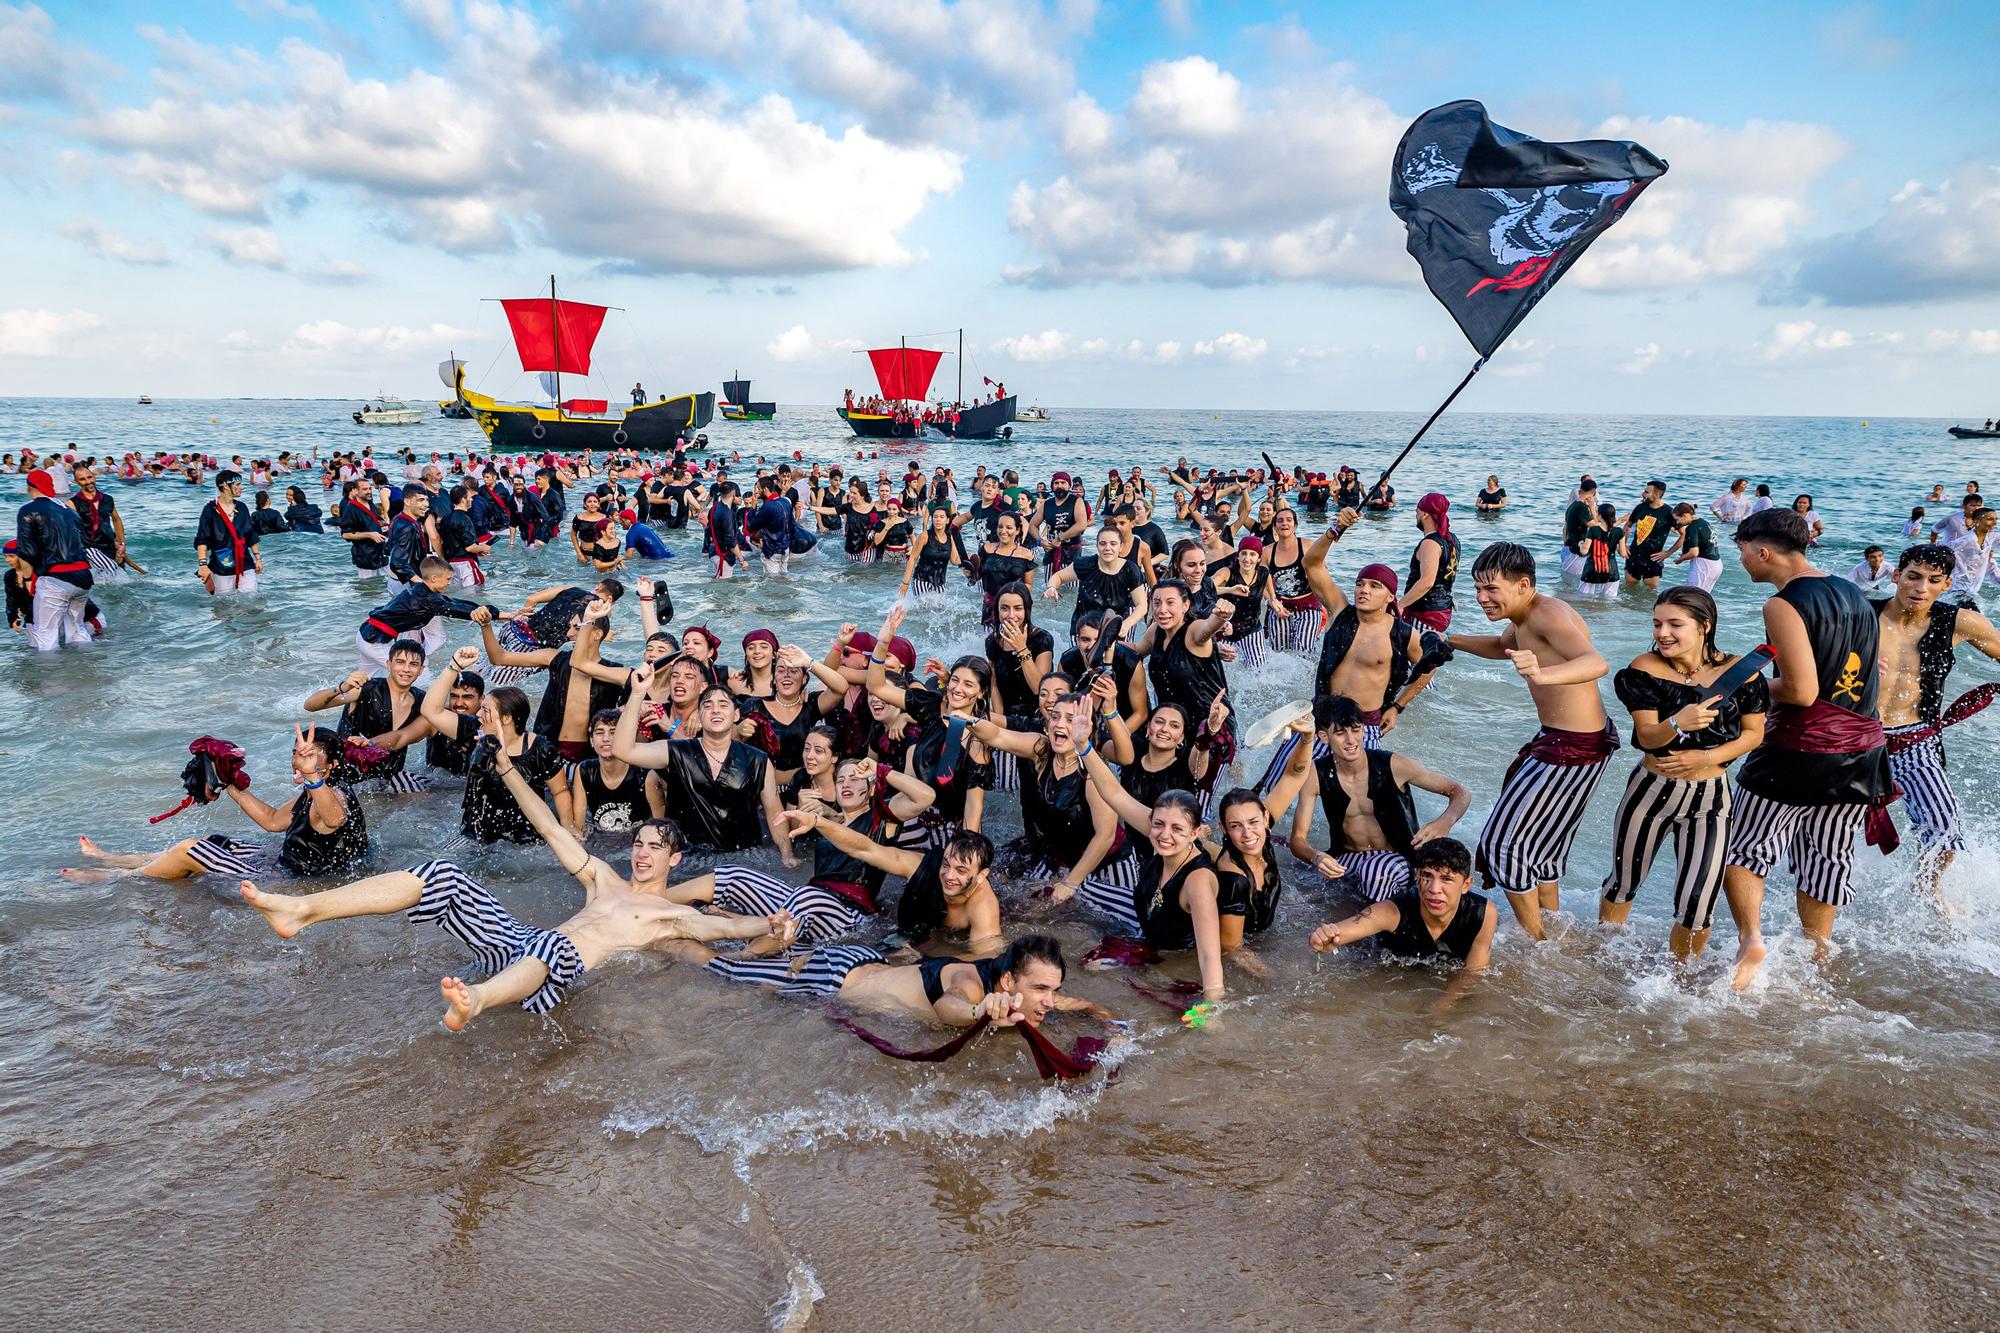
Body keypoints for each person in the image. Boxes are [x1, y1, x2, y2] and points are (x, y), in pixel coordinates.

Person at [240, 776, 784, 1030]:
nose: (641, 854)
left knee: (556, 940)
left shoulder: (674, 916)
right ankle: (303, 910)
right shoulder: (602, 879)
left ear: (675, 860)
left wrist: (774, 922)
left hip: (557, 973)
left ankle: (475, 1001)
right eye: (638, 843)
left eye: (654, 848)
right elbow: (549, 825)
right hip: (519, 948)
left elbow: (724, 932)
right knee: (442, 873)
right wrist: (505, 769)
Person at [1721, 508, 1894, 988]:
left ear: (1763, 551)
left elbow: (1800, 692)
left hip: (1801, 750)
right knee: (1825, 857)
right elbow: (1867, 667)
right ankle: (1819, 955)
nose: (1741, 559)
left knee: (1744, 850)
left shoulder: (1783, 604)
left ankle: (1751, 940)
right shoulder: (1852, 591)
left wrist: (1743, 685)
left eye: (1741, 550)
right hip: (1860, 752)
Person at [1448, 543, 1616, 940]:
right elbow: (1502, 647)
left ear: (1523, 584)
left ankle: (1536, 942)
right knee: (1540, 846)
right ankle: (1552, 927)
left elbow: (1596, 662)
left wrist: (1542, 675)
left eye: (1491, 588)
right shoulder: (1522, 616)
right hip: (1560, 741)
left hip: (1574, 748)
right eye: (1477, 588)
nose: (1481, 597)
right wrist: (1450, 640)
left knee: (1502, 843)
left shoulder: (1548, 614)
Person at [1599, 589, 1769, 961]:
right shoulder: (1643, 669)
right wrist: (1678, 722)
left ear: (1704, 626)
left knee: (1699, 900)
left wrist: (1705, 758)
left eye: (1675, 624)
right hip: (1650, 793)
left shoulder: (1743, 673)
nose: (1662, 633)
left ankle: (1680, 978)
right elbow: (1646, 736)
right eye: (1657, 623)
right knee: (1623, 883)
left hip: (1711, 799)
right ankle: (1605, 958)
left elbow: (1754, 735)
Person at [64, 726, 366, 883]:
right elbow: (274, 821)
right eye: (298, 753)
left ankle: (115, 878)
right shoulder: (321, 789)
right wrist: (229, 782)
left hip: (288, 879)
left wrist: (311, 775)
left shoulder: (332, 795)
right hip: (282, 859)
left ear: (332, 764)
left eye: (311, 756)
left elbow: (335, 818)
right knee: (215, 841)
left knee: (190, 849)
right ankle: (115, 858)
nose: (299, 760)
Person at [1873, 544, 2000, 910]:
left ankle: (1927, 887)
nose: (1921, 587)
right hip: (1860, 736)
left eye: (1933, 580)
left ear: (1946, 585)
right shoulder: (1863, 615)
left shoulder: (1959, 621)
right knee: (1824, 825)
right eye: (1913, 576)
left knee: (1944, 830)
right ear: (1897, 576)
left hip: (1915, 739)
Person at [1287, 696, 1471, 902]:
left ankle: (1371, 930)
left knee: (1375, 872)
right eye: (1340, 733)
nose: (1351, 740)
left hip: (1399, 859)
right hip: (1348, 858)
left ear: (1364, 729)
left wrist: (1445, 822)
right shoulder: (1315, 774)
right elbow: (1297, 840)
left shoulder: (1393, 765)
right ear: (1323, 736)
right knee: (1296, 881)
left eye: (1355, 730)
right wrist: (1317, 857)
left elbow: (1460, 791)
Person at [612, 673, 797, 861]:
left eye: (723, 705)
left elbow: (774, 812)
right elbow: (623, 750)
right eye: (708, 706)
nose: (715, 710)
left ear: (736, 715)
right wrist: (637, 694)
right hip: (685, 858)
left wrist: (787, 854)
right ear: (699, 716)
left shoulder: (757, 760)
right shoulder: (676, 752)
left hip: (742, 858)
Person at [419, 647, 565, 844]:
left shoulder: (540, 748)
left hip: (526, 835)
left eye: (485, 710)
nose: (479, 715)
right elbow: (430, 710)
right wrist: (454, 666)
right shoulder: (473, 731)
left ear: (505, 719)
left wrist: (570, 827)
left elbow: (560, 791)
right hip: (475, 831)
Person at [1308, 837, 1496, 972]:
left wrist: (1441, 1009)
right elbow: (1347, 929)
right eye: (1427, 876)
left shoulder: (1483, 913)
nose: (1434, 889)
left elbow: (1472, 976)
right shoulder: (1392, 912)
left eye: (1446, 879)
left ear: (1466, 885)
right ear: (1416, 876)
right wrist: (1325, 938)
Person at [305, 640, 432, 793]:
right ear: (388, 664)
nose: (406, 669)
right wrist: (341, 687)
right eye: (400, 662)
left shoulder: (422, 701)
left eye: (413, 664)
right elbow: (310, 705)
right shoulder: (366, 690)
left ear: (421, 670)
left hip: (386, 782)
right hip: (345, 779)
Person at [354, 556, 496, 676]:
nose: (449, 583)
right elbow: (456, 608)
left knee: (365, 679)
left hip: (365, 633)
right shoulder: (428, 598)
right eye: (448, 579)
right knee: (420, 676)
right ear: (434, 578)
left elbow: (454, 603)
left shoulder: (418, 588)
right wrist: (493, 613)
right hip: (374, 642)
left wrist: (498, 614)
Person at [14, 467, 95, 650]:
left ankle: (51, 677)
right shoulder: (69, 510)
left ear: (30, 487)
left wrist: (27, 579)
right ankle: (89, 668)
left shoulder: (28, 510)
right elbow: (85, 543)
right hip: (83, 578)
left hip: (56, 579)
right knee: (77, 630)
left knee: (46, 637)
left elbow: (25, 551)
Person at [552, 707, 665, 836]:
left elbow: (660, 829)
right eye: (599, 732)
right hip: (601, 839)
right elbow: (580, 828)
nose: (606, 739)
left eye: (613, 732)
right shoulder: (584, 771)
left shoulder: (646, 775)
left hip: (635, 842)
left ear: (626, 739)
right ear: (591, 740)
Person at [194, 469, 262, 595]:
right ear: (225, 485)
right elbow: (202, 539)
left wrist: (257, 558)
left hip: (245, 563)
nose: (241, 488)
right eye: (237, 485)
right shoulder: (210, 510)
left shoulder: (242, 507)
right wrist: (203, 565)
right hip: (221, 565)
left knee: (252, 601)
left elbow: (250, 534)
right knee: (223, 608)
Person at [1403, 492, 1459, 633]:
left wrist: (1400, 605)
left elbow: (1427, 582)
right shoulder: (1452, 539)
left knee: (1417, 652)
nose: (1416, 516)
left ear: (1425, 515)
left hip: (1425, 613)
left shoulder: (1430, 543)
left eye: (1417, 512)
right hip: (1443, 608)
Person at [69, 462, 130, 582]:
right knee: (117, 576)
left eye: (89, 477)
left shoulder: (107, 499)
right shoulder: (73, 503)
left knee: (119, 579)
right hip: (89, 547)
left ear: (94, 477)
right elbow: (69, 529)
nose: (88, 481)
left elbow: (116, 520)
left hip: (110, 544)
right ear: (77, 482)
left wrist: (122, 544)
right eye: (82, 479)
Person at [1623, 480, 1679, 588]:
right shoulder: (1640, 507)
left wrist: (1668, 553)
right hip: (1634, 555)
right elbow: (1627, 525)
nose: (1643, 494)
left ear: (1657, 494)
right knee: (1628, 590)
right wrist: (1623, 545)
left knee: (1650, 594)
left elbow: (1683, 534)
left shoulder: (1668, 513)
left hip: (1654, 559)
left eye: (1646, 492)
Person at [1945, 507, 1998, 605]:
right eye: (1990, 519)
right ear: (1976, 521)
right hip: (1959, 590)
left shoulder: (1991, 538)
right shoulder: (1966, 540)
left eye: (1996, 519)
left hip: (1972, 592)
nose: (1995, 523)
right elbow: (1942, 551)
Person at [338, 475, 390, 574]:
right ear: (355, 491)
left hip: (380, 553)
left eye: (370, 488)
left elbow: (372, 521)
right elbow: (345, 534)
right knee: (368, 588)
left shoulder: (370, 503)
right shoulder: (350, 508)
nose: (369, 491)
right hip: (365, 556)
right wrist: (369, 535)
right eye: (365, 489)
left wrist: (383, 523)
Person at [1670, 502, 1723, 591]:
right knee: (1703, 595)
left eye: (1677, 519)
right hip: (1716, 564)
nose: (1677, 522)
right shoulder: (1704, 522)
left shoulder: (1692, 527)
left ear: (1685, 515)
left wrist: (1681, 559)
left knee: (1692, 594)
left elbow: (1694, 552)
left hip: (1704, 565)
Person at [1560, 477, 1597, 581]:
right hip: (1575, 551)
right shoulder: (1582, 508)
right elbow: (1597, 528)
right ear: (1593, 494)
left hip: (1567, 547)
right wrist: (1592, 509)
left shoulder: (1572, 506)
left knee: (1567, 583)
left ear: (1580, 491)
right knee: (1574, 583)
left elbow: (1565, 528)